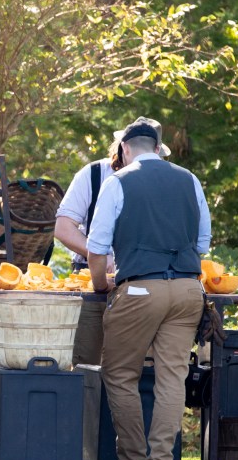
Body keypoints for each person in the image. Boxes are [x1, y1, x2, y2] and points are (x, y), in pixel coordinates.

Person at [87, 117, 210, 460]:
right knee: (172, 377)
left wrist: (100, 285)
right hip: (189, 289)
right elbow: (202, 244)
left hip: (140, 288)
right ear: (158, 148)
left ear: (124, 149)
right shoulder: (190, 179)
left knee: (120, 373)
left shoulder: (118, 182)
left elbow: (96, 248)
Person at [55, 118, 171, 366]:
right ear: (123, 147)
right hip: (90, 281)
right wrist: (99, 255)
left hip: (144, 285)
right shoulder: (93, 174)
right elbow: (63, 228)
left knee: (135, 368)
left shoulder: (164, 183)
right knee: (86, 364)